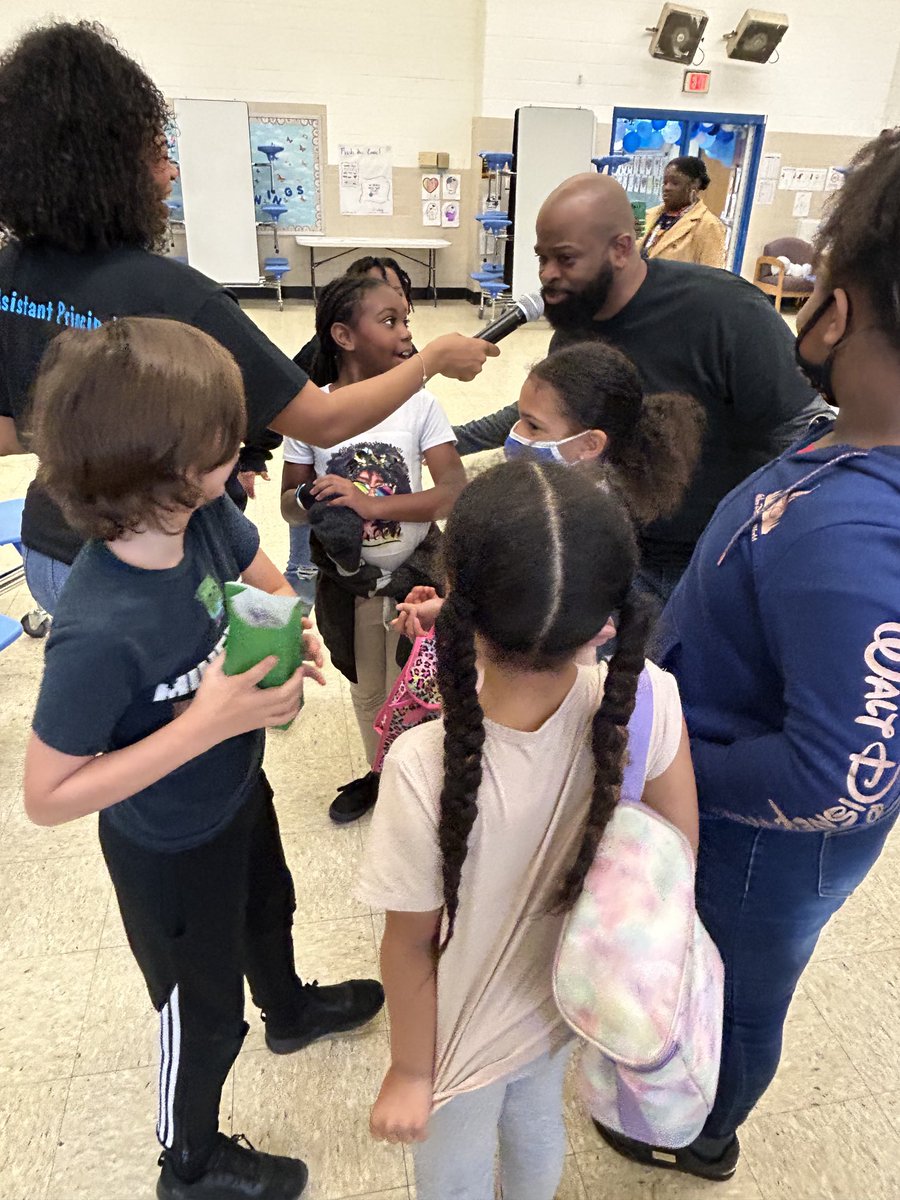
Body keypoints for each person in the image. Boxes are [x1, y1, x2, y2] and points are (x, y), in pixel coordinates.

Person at [594, 129, 900, 1183]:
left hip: (759, 838)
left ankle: (698, 1130)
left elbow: (840, 776)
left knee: (730, 989)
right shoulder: (842, 440)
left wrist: (657, 763)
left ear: (835, 306)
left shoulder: (851, 535)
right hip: (721, 775)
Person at [22, 318, 388, 1199]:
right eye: (231, 439)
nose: (247, 445)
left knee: (272, 907)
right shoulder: (99, 629)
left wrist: (288, 631)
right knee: (202, 1014)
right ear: (172, 470)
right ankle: (187, 1162)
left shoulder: (209, 515)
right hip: (165, 847)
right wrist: (207, 718)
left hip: (235, 791)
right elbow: (48, 795)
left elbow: (262, 581)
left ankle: (291, 1009)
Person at [0, 21, 496, 616]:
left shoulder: (10, 274)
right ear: (110, 165)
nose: (172, 174)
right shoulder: (178, 301)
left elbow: (9, 430)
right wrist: (435, 359)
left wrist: (94, 433)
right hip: (152, 562)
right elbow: (323, 421)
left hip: (50, 551)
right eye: (158, 154)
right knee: (187, 699)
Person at [356, 459, 698, 1199]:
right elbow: (677, 855)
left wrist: (412, 1071)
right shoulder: (648, 700)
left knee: (454, 1165)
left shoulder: (424, 762)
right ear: (606, 619)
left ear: (463, 608)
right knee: (537, 1117)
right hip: (568, 995)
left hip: (457, 1031)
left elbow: (410, 941)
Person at [452, 172, 826, 607]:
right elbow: (539, 414)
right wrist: (448, 438)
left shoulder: (726, 313)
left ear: (621, 249)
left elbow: (805, 433)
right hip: (623, 546)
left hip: (716, 557)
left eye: (565, 259)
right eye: (541, 259)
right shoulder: (576, 325)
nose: (547, 276)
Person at [281, 274, 465, 823]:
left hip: (417, 579)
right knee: (368, 689)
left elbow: (451, 493)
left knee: (419, 685)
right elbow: (290, 508)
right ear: (343, 335)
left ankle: (424, 778)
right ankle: (380, 772)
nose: (405, 332)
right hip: (352, 583)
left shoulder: (420, 405)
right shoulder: (310, 414)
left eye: (407, 319)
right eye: (390, 321)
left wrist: (370, 506)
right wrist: (316, 499)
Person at [396, 340, 705, 640]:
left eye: (533, 426)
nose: (515, 435)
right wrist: (451, 607)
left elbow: (526, 623)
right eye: (518, 418)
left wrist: (455, 614)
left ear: (590, 444)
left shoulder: (571, 531)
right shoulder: (562, 499)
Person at [287, 257, 417, 606]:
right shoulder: (315, 361)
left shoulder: (406, 359)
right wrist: (254, 456)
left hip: (393, 543)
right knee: (308, 567)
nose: (401, 323)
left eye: (398, 293)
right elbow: (281, 411)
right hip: (328, 517)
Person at [293, 255, 414, 376]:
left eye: (397, 292)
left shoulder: (405, 352)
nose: (406, 334)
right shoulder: (313, 360)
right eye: (378, 294)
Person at [640, 156, 726, 268]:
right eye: (665, 182)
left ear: (694, 185)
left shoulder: (708, 225)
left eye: (675, 183)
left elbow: (713, 277)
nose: (667, 188)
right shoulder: (648, 215)